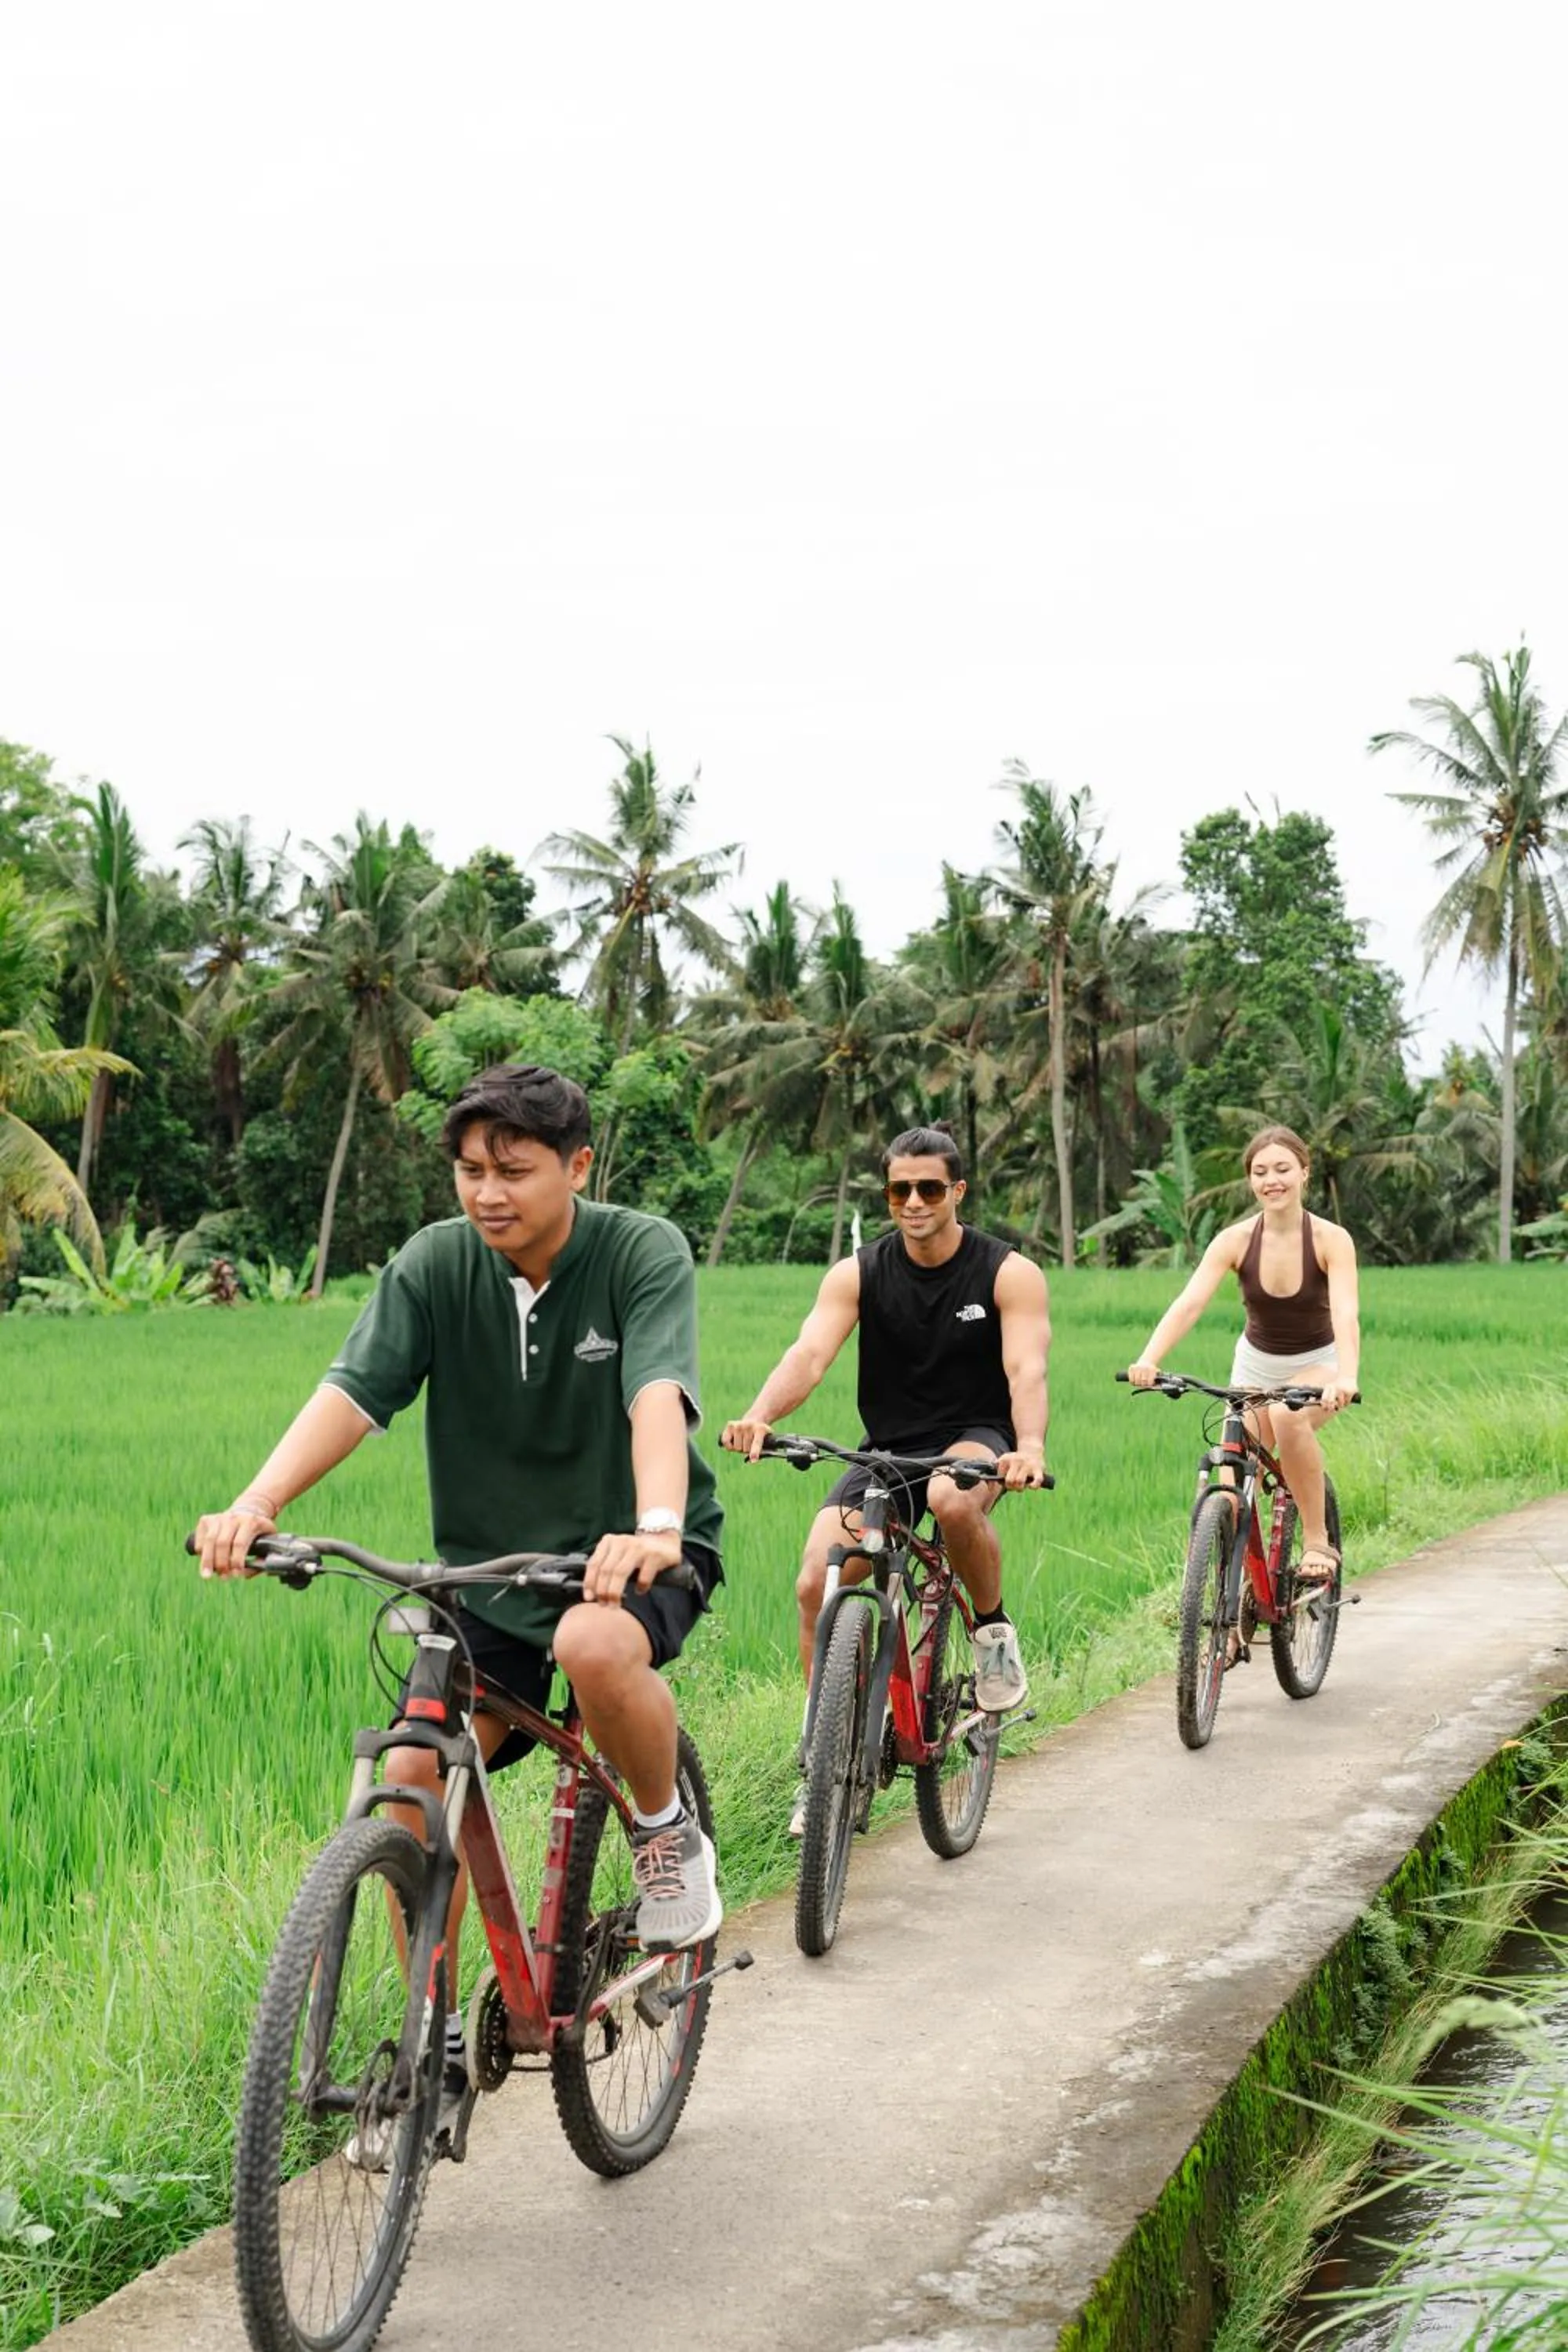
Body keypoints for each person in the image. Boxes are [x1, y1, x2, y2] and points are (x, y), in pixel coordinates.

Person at [194, 1062, 724, 2125]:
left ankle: (666, 1834)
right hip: (485, 1575)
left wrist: (656, 1526)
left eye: (513, 1170)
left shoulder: (640, 1251)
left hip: (632, 1557)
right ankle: (432, 2038)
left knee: (591, 1645)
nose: (487, 1192)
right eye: (470, 1170)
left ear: (577, 1167)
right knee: (407, 1774)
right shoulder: (435, 1265)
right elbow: (353, 1394)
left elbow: (655, 1394)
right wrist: (256, 1503)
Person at [722, 1124, 1051, 1832]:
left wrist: (1028, 1447)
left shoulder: (1007, 1272)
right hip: (888, 1449)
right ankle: (826, 1757)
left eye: (929, 1188)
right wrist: (759, 1415)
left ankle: (992, 1635)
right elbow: (810, 1354)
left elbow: (1027, 1366)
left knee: (950, 1500)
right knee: (817, 1581)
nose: (914, 1202)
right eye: (900, 1191)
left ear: (957, 1191)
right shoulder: (859, 1273)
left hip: (977, 1436)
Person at [1126, 1123, 1360, 1601]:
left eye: (1282, 1169)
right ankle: (1233, 1609)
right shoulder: (1234, 1240)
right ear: (1250, 1180)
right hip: (1254, 1368)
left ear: (1304, 1172)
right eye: (1260, 1171)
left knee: (1287, 1416)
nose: (1272, 1180)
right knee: (1233, 1490)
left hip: (1318, 1364)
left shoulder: (1330, 1239)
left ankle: (1317, 1541)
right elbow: (1190, 1303)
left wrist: (1348, 1376)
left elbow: (1345, 1311)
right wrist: (1149, 1358)